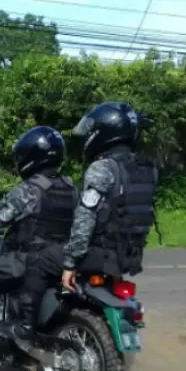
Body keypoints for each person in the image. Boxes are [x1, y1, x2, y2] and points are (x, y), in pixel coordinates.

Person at [0, 126, 78, 347]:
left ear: (31, 157)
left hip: (29, 259)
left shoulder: (30, 189)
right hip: (60, 258)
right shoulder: (71, 187)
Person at [60, 102, 159, 293]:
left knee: (39, 259)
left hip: (102, 254)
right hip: (131, 254)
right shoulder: (146, 168)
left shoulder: (103, 168)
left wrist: (70, 263)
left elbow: (85, 218)